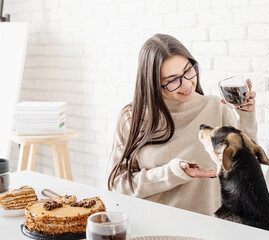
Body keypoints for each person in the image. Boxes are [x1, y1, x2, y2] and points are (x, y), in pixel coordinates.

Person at [107, 33, 258, 216]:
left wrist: (246, 117)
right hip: (149, 224)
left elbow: (247, 174)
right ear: (153, 84)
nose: (187, 84)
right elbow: (117, 185)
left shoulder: (217, 109)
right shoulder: (132, 117)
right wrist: (172, 173)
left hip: (207, 228)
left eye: (188, 71)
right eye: (172, 80)